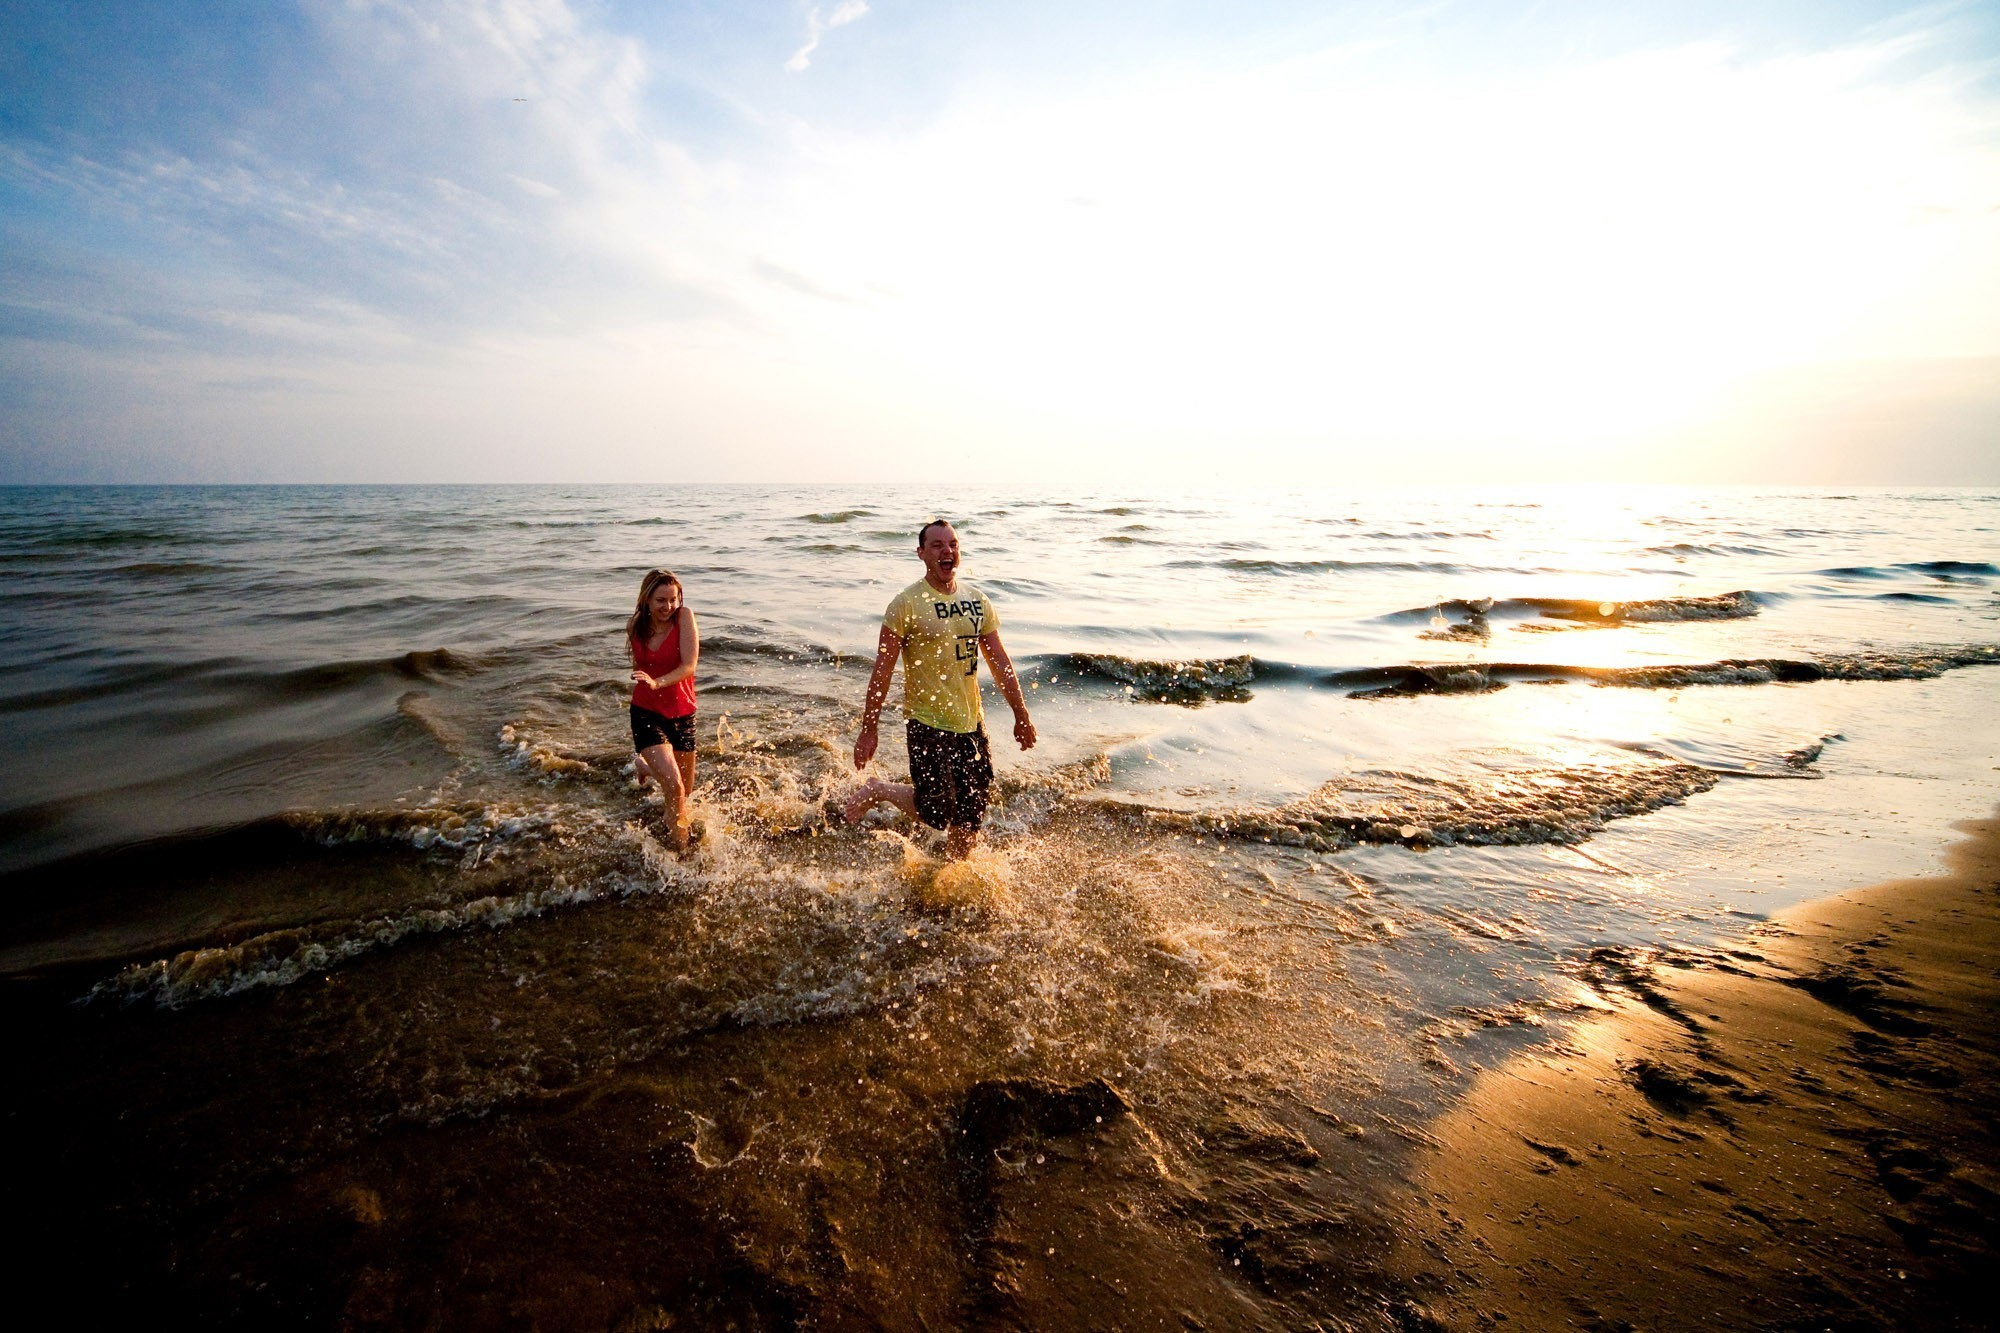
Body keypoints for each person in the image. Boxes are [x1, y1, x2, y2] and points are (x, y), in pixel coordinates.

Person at [845, 519, 1036, 860]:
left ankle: (950, 880)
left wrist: (1021, 715)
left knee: (970, 817)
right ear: (921, 554)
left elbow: (1001, 664)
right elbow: (882, 671)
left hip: (971, 724)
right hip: (926, 722)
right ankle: (881, 789)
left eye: (953, 545)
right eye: (937, 546)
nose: (947, 551)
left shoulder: (977, 602)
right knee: (938, 812)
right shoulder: (906, 604)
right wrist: (868, 730)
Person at [627, 568, 699, 852]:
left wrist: (659, 682)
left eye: (673, 599)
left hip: (683, 712)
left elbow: (688, 666)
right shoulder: (635, 627)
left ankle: (644, 765)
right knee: (676, 789)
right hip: (646, 711)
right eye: (661, 600)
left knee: (685, 790)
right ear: (646, 599)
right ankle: (681, 855)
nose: (668, 606)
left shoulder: (684, 617)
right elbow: (640, 667)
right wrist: (649, 683)